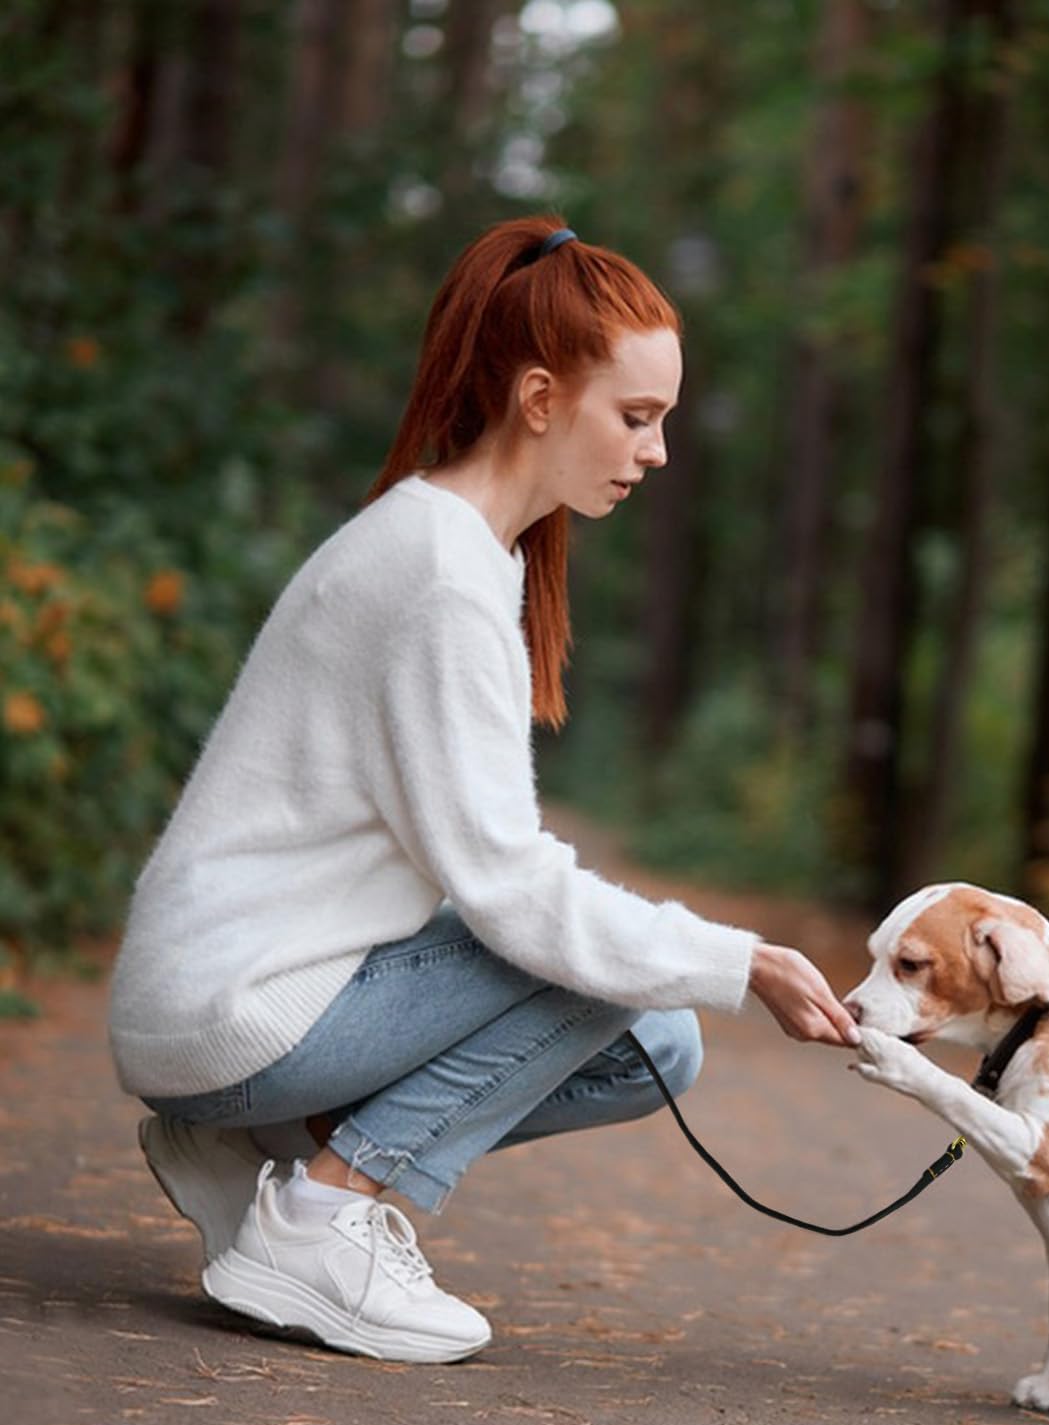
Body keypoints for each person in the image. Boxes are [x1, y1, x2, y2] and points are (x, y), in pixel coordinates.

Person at [107, 216, 861, 1366]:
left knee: (661, 1035)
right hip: (235, 1007)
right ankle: (321, 1213)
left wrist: (699, 966)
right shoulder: (442, 577)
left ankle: (266, 1150)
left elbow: (484, 872)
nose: (657, 452)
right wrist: (737, 959)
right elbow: (511, 894)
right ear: (542, 397)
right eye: (638, 417)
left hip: (217, 1006)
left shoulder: (449, 547)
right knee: (612, 978)